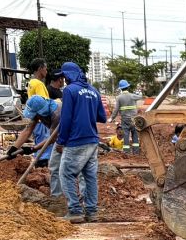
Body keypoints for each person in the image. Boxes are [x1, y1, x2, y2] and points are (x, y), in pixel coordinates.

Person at [53, 61, 107, 223]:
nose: (64, 80)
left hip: (76, 140)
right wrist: (87, 110)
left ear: (68, 75)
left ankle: (75, 211)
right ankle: (91, 212)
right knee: (90, 176)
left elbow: (66, 118)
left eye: (64, 76)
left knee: (66, 174)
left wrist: (61, 141)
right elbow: (102, 117)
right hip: (92, 140)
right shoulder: (93, 91)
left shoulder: (70, 91)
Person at [115, 79, 141, 154]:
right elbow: (140, 96)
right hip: (134, 119)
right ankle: (136, 152)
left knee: (126, 135)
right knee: (135, 134)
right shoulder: (132, 96)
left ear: (121, 88)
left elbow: (116, 110)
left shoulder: (119, 97)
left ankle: (126, 152)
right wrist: (138, 91)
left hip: (125, 119)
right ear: (128, 87)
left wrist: (112, 118)